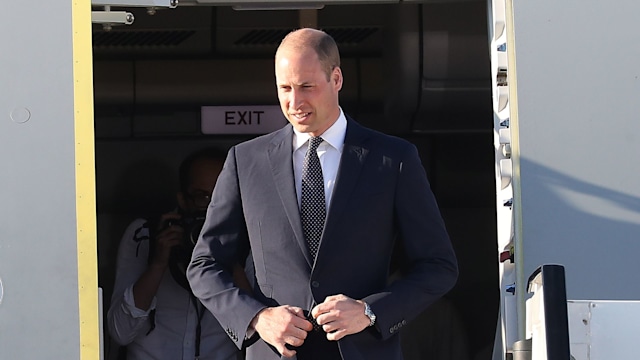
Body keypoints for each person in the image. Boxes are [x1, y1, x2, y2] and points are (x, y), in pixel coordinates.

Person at [187, 28, 458, 360]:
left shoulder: (393, 159)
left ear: (337, 79)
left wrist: (369, 311)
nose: (295, 102)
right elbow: (203, 266)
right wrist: (258, 318)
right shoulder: (246, 162)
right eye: (285, 88)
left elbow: (438, 266)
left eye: (306, 87)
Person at [107, 148, 247, 360]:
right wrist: (158, 263)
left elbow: (257, 330)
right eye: (202, 197)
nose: (211, 208)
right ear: (183, 200)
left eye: (220, 195)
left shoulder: (248, 239)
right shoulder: (145, 234)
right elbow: (120, 332)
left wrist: (229, 259)